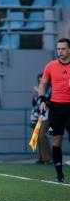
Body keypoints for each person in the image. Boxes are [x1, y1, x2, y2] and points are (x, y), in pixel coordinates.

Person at [37, 38, 70, 183]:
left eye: (63, 48)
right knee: (56, 139)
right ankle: (59, 174)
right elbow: (43, 84)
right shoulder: (50, 65)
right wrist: (43, 100)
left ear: (69, 50)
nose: (60, 51)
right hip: (56, 107)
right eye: (58, 49)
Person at [31, 74, 51, 164]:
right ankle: (41, 158)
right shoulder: (39, 90)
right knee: (37, 137)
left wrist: (39, 92)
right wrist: (35, 96)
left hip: (46, 116)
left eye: (42, 80)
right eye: (39, 81)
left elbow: (48, 101)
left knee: (42, 136)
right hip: (38, 117)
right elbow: (35, 104)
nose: (41, 82)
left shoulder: (50, 89)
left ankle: (47, 158)